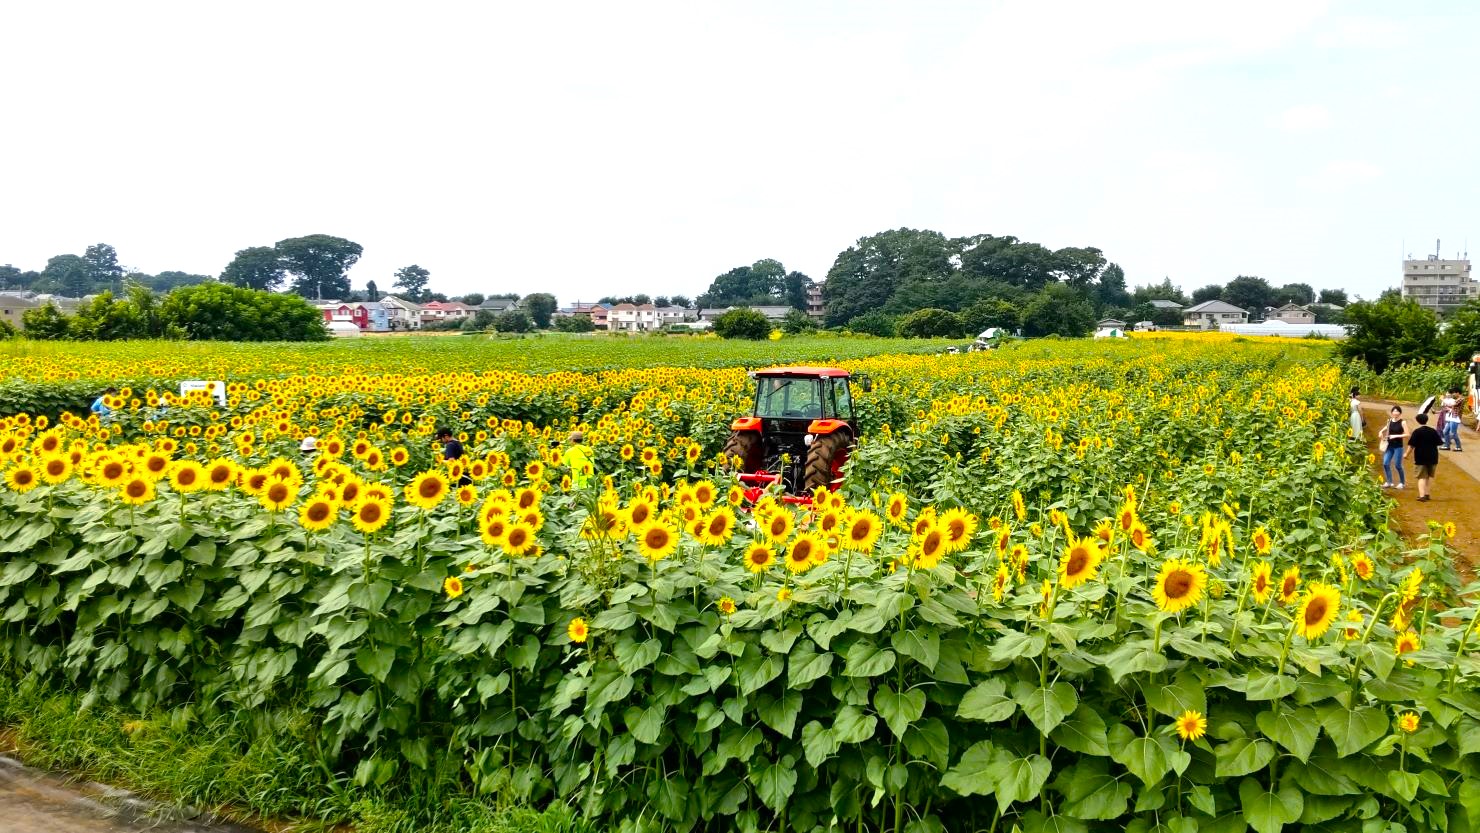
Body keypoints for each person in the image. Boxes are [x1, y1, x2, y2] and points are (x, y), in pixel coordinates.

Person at [1407, 412, 1442, 502]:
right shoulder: (1433, 431)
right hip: (1433, 457)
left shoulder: (1417, 432)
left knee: (1422, 477)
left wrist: (1406, 454)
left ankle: (1422, 496)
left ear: (1418, 421)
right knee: (1429, 476)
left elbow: (1411, 445)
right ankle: (1427, 494)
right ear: (1427, 420)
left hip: (1420, 457)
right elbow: (1439, 442)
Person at [1379, 405, 1407, 489]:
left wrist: (1396, 436)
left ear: (1400, 413)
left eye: (1397, 411)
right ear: (1391, 412)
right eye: (1394, 411)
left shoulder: (1403, 422)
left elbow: (1407, 434)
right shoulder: (1390, 420)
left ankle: (1402, 482)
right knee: (1385, 463)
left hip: (1398, 446)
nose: (1395, 413)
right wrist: (1381, 431)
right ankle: (1389, 482)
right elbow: (1387, 426)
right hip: (1389, 445)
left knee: (1398, 465)